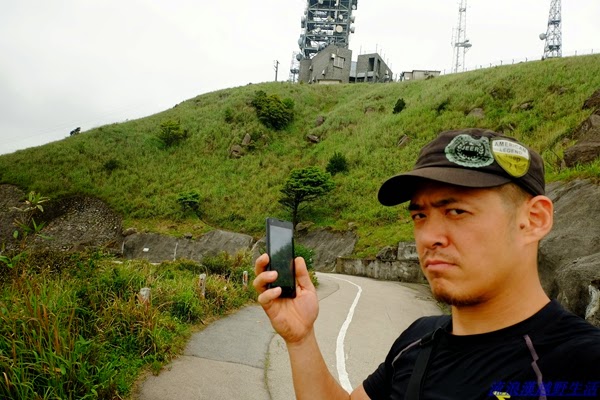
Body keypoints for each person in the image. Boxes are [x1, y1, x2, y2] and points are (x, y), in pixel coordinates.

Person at [253, 128, 600, 400]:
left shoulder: (582, 365)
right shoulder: (418, 339)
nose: (429, 237)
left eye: (456, 211)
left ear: (534, 220)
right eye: (420, 215)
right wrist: (301, 338)